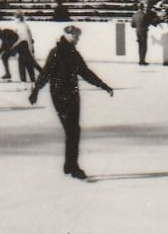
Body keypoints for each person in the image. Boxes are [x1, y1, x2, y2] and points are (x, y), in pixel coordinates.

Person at [30, 26, 113, 180]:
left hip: (72, 95)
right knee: (73, 130)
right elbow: (46, 72)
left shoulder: (73, 53)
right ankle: (73, 167)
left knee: (73, 130)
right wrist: (35, 90)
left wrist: (102, 85)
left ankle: (69, 165)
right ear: (68, 35)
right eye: (76, 36)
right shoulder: (56, 52)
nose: (78, 39)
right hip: (60, 96)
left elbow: (85, 72)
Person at [12, 15, 38, 83]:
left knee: (24, 66)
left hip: (25, 47)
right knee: (27, 66)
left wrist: (31, 50)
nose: (14, 20)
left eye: (15, 19)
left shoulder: (23, 26)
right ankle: (32, 82)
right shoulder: (23, 25)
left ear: (18, 19)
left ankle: (26, 83)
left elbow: (26, 38)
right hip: (25, 47)